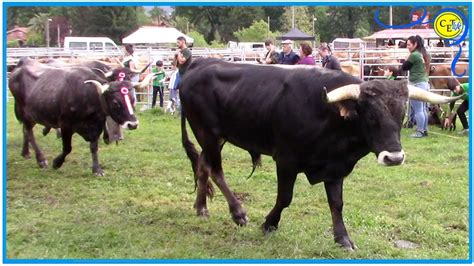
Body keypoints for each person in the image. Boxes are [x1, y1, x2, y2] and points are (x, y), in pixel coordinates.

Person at [402, 35, 431, 138]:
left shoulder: (414, 55)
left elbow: (404, 67)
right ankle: (424, 129)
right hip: (424, 83)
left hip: (416, 84)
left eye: (409, 44)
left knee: (418, 109)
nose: (407, 47)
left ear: (415, 44)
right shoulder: (425, 54)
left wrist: (406, 58)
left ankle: (420, 131)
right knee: (423, 108)